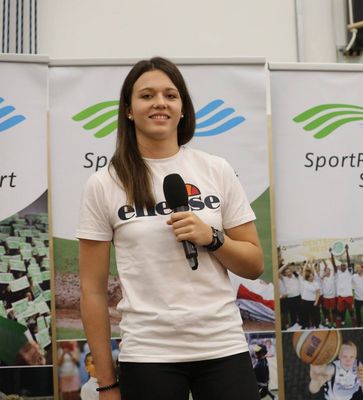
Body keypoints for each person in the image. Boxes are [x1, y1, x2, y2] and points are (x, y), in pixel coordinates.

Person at [78, 57, 263, 400]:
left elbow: (254, 265)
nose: (160, 102)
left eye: (170, 95)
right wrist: (106, 383)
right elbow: (92, 292)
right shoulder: (104, 184)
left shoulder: (216, 169)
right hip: (149, 353)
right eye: (147, 95)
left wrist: (212, 238)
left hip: (222, 345)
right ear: (129, 110)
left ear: (183, 109)